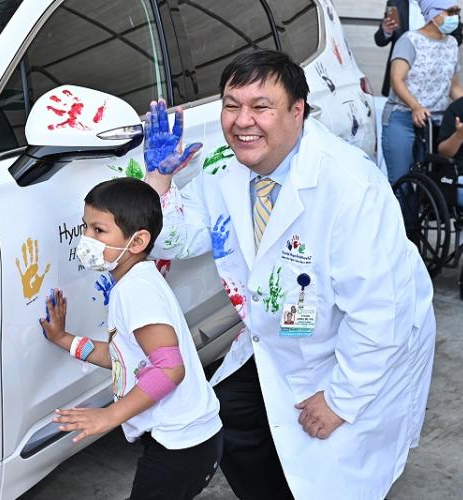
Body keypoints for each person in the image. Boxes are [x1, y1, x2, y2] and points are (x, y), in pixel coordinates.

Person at [143, 49, 436, 500]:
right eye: (231, 105)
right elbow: (180, 238)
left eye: (261, 107)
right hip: (284, 338)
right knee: (231, 424)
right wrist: (159, 180)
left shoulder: (348, 186)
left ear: (297, 112)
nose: (243, 120)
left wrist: (340, 400)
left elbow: (381, 312)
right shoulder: (225, 168)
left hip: (358, 346)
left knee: (334, 473)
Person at [39, 177, 223, 500]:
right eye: (85, 227)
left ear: (137, 242)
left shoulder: (135, 291)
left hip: (181, 446)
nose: (87, 239)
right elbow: (121, 358)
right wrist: (64, 338)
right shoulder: (136, 280)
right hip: (187, 443)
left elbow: (170, 369)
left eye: (99, 231)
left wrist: (109, 415)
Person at [381, 0, 463, 185]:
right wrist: (415, 106)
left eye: (456, 12)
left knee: (427, 184)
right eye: (450, 12)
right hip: (402, 119)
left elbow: (453, 87)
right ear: (433, 14)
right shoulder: (409, 40)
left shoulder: (451, 44)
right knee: (402, 183)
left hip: (434, 124)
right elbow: (397, 79)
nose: (455, 17)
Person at [375, 1, 461, 97]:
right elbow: (380, 41)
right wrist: (386, 31)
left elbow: (457, 36)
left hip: (434, 77)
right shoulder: (395, 2)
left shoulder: (442, 3)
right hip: (401, 75)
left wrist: (442, 44)